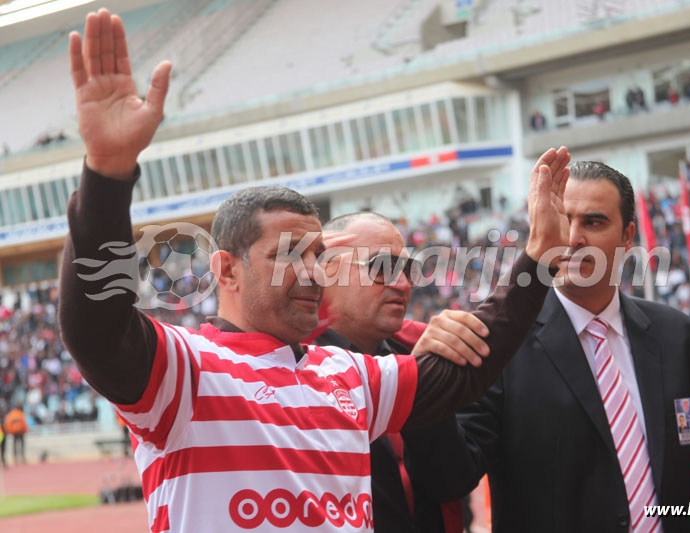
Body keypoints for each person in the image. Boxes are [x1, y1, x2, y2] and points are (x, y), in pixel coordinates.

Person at [60, 10, 569, 531]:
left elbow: (464, 374)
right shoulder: (184, 370)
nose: (310, 272)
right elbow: (97, 327)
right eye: (287, 253)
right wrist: (107, 174)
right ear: (226, 270)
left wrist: (539, 258)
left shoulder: (348, 374)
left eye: (317, 254)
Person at [403, 161, 690, 532]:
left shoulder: (684, 338)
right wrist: (426, 384)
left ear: (627, 237)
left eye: (594, 222)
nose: (574, 238)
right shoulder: (502, 345)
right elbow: (450, 476)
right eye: (563, 220)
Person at [316, 211, 490, 532]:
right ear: (327, 272)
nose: (402, 283)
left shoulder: (422, 353)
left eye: (408, 269)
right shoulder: (290, 372)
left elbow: (452, 482)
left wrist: (421, 384)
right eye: (382, 267)